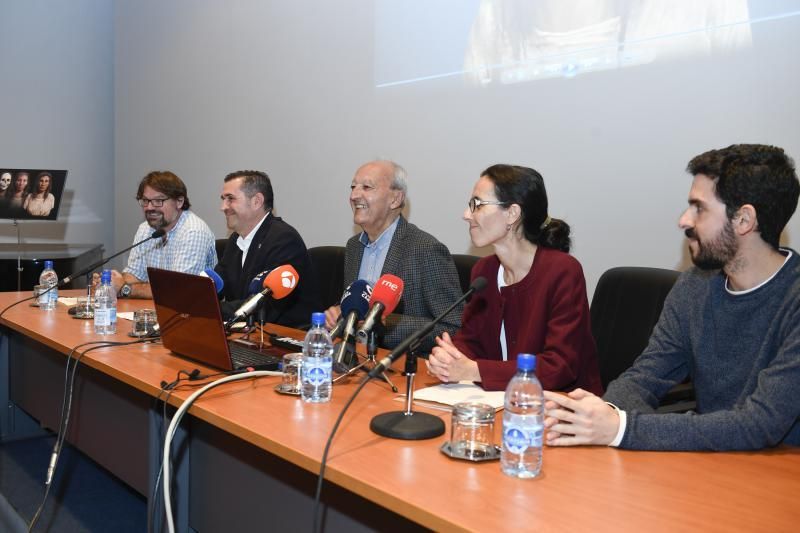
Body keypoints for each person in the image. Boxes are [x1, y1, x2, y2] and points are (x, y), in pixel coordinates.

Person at [544, 144, 800, 451]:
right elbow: (645, 376)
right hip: (710, 465)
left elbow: (759, 424)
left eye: (699, 208)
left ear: (744, 220)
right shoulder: (695, 285)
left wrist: (621, 429)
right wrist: (605, 413)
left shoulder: (793, 300)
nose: (683, 220)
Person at [426, 164, 602, 393]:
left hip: (563, 407)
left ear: (512, 214)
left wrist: (474, 370)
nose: (466, 215)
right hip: (500, 401)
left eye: (477, 205)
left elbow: (559, 366)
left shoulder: (563, 271)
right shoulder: (484, 271)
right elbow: (471, 341)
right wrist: (450, 357)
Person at [324, 160, 463, 352]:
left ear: (395, 199)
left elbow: (454, 328)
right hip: (354, 359)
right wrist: (339, 311)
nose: (354, 195)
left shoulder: (426, 250)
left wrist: (383, 323)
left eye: (366, 187)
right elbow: (357, 300)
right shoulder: (354, 246)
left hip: (402, 367)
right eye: (353, 187)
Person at [215, 170, 318, 327]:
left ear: (257, 201)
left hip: (285, 339)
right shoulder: (236, 239)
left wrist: (212, 309)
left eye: (230, 199)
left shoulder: (284, 239)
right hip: (246, 334)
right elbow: (217, 283)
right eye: (223, 199)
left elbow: (264, 305)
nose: (223, 207)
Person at [96, 171, 217, 299]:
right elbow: (134, 274)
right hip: (156, 309)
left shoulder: (193, 232)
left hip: (192, 313)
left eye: (158, 201)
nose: (149, 207)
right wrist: (113, 282)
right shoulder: (145, 229)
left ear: (179, 201)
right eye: (145, 201)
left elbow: (177, 290)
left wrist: (124, 288)